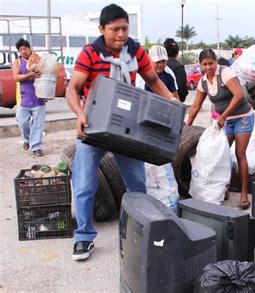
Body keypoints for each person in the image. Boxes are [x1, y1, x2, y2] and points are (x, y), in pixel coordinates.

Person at [66, 4, 175, 261]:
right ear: (102, 29)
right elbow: (73, 88)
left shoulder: (135, 50)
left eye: (125, 28)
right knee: (84, 185)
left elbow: (153, 80)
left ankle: (136, 230)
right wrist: (79, 115)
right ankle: (83, 237)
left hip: (126, 127)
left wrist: (171, 99)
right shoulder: (90, 54)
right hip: (93, 128)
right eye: (115, 29)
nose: (121, 34)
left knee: (137, 184)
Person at [186, 49, 254, 210]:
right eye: (204, 64)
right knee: (220, 154)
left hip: (243, 117)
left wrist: (223, 116)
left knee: (240, 153)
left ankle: (244, 193)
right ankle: (224, 188)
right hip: (225, 121)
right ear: (200, 65)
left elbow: (239, 95)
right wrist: (187, 125)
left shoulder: (225, 73)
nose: (208, 67)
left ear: (216, 62)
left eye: (211, 63)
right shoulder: (203, 81)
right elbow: (196, 105)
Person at [12, 38, 45, 157]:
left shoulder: (37, 59)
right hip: (23, 98)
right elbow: (16, 77)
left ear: (29, 48)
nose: (23, 51)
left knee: (38, 124)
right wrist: (29, 75)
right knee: (23, 123)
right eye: (20, 50)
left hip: (39, 98)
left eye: (24, 48)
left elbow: (47, 72)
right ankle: (26, 140)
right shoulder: (18, 62)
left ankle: (36, 146)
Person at [164, 38, 188, 102]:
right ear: (177, 53)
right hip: (175, 103)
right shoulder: (179, 67)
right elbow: (182, 89)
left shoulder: (157, 66)